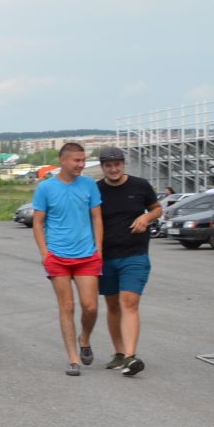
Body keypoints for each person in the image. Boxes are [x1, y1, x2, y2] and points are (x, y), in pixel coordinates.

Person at [31, 141, 104, 375]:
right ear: (63, 160)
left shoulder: (89, 185)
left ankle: (85, 339)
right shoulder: (46, 188)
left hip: (87, 255)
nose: (81, 165)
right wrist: (45, 253)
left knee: (90, 307)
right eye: (77, 160)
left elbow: (97, 219)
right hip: (58, 256)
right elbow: (38, 222)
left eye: (83, 160)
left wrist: (98, 250)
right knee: (67, 306)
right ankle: (73, 358)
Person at [93, 146, 160, 377]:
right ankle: (119, 353)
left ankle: (131, 356)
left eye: (117, 164)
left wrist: (146, 216)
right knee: (112, 306)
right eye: (108, 165)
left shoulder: (140, 185)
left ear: (124, 164)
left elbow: (157, 209)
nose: (113, 169)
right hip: (106, 257)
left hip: (135, 254)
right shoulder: (95, 190)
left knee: (129, 303)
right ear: (102, 167)